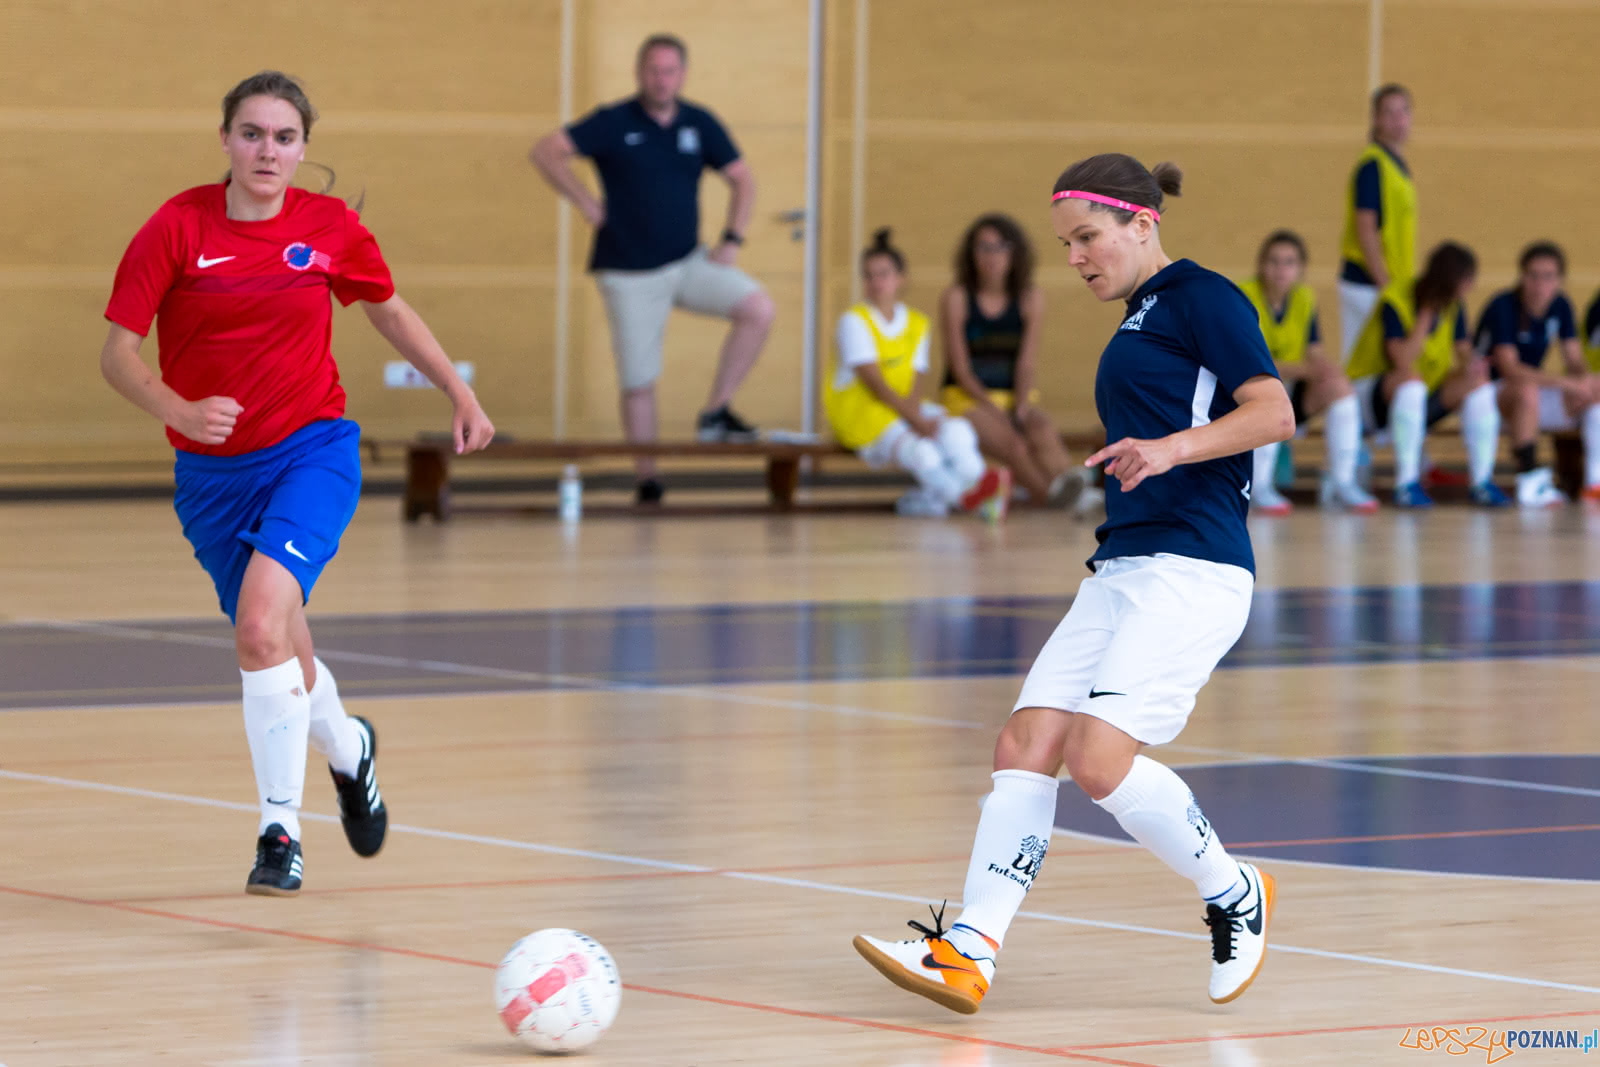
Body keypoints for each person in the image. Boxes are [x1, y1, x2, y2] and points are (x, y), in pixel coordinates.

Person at [854, 154, 1291, 1012]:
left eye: (1088, 238)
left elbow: (1273, 410)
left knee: (1097, 759)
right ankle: (969, 949)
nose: (1077, 257)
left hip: (1195, 568)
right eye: (1066, 243)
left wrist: (1167, 449)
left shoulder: (1205, 297)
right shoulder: (1140, 318)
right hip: (1124, 567)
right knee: (1023, 746)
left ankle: (1235, 890)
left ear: (1142, 223)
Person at [99, 71, 495, 895]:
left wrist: (457, 389)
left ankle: (279, 830)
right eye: (252, 133)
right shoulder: (177, 227)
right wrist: (178, 404)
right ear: (225, 140)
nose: (267, 150)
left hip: (312, 450)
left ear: (304, 148)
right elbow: (118, 355)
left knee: (257, 627)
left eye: (284, 137)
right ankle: (351, 753)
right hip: (212, 476)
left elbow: (388, 309)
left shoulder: (329, 227)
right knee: (278, 642)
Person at [529, 33, 776, 505]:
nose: (660, 79)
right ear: (639, 72)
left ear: (681, 75)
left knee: (757, 308)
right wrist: (585, 201)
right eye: (652, 70)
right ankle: (649, 478)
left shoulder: (698, 122)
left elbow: (742, 179)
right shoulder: (613, 121)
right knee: (639, 378)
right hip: (628, 271)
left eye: (669, 71)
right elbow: (546, 151)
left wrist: (732, 239)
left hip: (687, 261)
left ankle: (716, 412)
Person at [825, 229, 1009, 520]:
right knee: (922, 451)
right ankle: (971, 497)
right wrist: (915, 422)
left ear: (901, 278)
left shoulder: (916, 323)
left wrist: (917, 417)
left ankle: (950, 493)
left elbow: (915, 382)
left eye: (883, 274)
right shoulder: (854, 321)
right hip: (862, 415)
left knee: (957, 432)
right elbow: (876, 386)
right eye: (869, 275)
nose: (876, 282)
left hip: (901, 409)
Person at [939, 214, 1094, 509]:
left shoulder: (1030, 298)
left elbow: (1026, 363)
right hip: (967, 399)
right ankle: (1053, 498)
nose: (992, 257)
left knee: (1041, 429)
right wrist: (993, 409)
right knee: (1014, 444)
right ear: (971, 254)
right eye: (983, 247)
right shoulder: (957, 298)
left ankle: (1071, 487)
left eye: (1000, 247)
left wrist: (1020, 406)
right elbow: (960, 369)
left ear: (1014, 253)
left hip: (1012, 394)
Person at [1346, 241, 1506, 508]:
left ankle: (1482, 481)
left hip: (1417, 398)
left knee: (1479, 384)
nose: (1470, 287)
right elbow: (1403, 360)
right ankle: (1406, 482)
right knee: (1411, 381)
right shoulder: (1396, 298)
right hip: (1366, 398)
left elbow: (1462, 348)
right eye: (1467, 280)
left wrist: (1472, 363)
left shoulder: (1453, 306)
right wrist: (1425, 315)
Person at [1239, 231, 1376, 514]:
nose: (1281, 269)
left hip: (1289, 389)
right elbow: (1249, 361)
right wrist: (1305, 368)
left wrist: (1326, 370)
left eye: (1289, 262)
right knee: (1265, 391)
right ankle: (1260, 485)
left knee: (1341, 389)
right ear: (1261, 264)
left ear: (1300, 269)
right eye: (1274, 261)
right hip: (1246, 393)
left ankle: (1342, 481)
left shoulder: (1304, 298)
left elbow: (1314, 352)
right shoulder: (1245, 296)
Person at [1475, 241, 1599, 505]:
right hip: (1488, 394)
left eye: (1548, 276)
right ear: (1522, 276)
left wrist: (1583, 383)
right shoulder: (1504, 305)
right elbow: (1510, 369)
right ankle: (1529, 478)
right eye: (1533, 275)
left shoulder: (1560, 306)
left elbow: (1574, 359)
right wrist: (1568, 383)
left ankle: (1593, 483)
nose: (1540, 284)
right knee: (1526, 389)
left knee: (1596, 386)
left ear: (1560, 280)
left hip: (1529, 393)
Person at [1338, 84, 1416, 366]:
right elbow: (1366, 228)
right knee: (1360, 368)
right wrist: (1384, 281)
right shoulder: (1373, 166)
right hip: (1368, 284)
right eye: (1389, 112)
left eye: (1403, 111)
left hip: (1387, 284)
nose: (1398, 119)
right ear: (1376, 119)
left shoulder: (1395, 166)